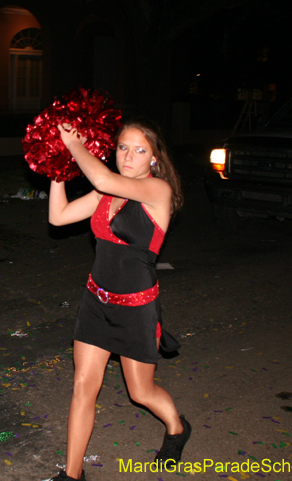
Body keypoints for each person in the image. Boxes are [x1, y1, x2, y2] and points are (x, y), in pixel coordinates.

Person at [44, 117, 189, 481]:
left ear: (154, 159)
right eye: (123, 147)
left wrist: (74, 146)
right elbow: (58, 217)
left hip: (136, 308)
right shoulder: (105, 192)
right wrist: (57, 168)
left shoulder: (158, 191)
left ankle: (177, 426)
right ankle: (72, 475)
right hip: (96, 302)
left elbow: (103, 177)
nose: (129, 156)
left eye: (140, 150)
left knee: (141, 392)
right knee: (82, 388)